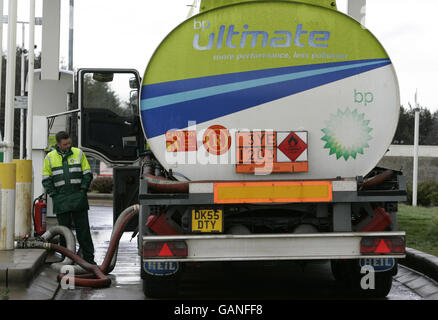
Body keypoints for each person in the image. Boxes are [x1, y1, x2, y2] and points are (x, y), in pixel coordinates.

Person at [42, 131, 96, 265]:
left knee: (83, 231)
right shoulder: (49, 157)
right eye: (65, 144)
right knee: (64, 232)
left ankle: (89, 259)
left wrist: (83, 190)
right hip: (61, 200)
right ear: (58, 144)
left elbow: (87, 174)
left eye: (69, 143)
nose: (68, 146)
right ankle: (65, 259)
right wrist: (54, 194)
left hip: (78, 198)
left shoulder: (78, 153)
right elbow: (46, 179)